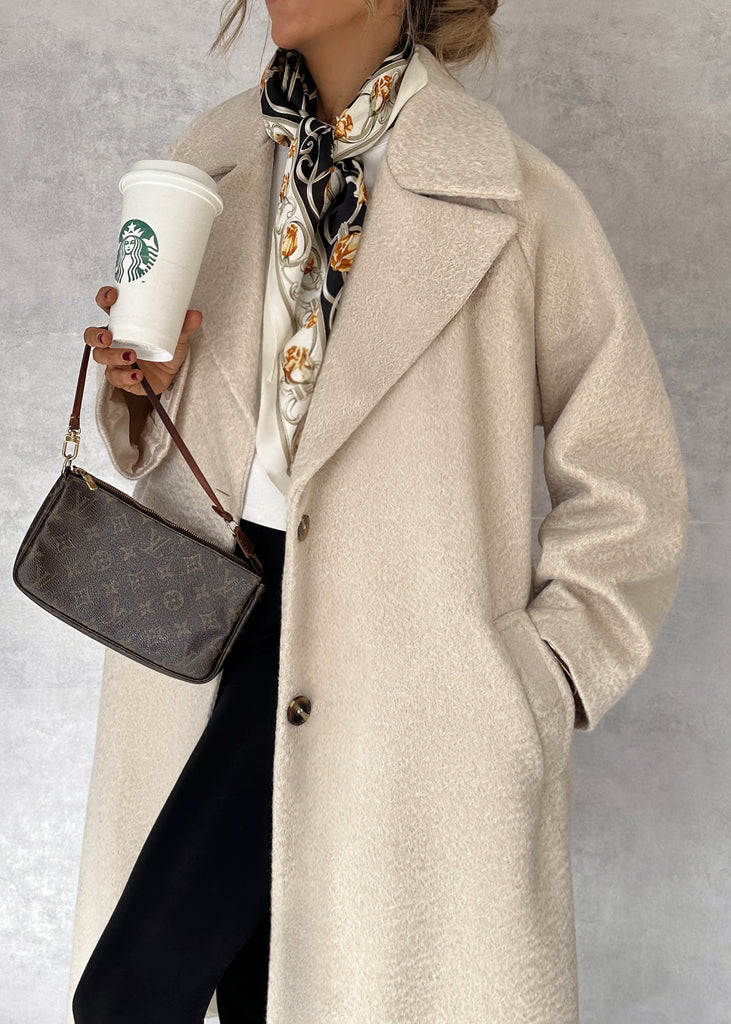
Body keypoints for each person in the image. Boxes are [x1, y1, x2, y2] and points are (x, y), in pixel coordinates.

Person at [67, 1, 688, 1022]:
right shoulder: (209, 163)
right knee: (243, 992)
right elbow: (179, 441)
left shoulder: (516, 199)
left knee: (139, 994)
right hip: (209, 620)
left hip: (403, 662)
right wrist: (139, 389)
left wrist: (544, 673)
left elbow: (628, 473)